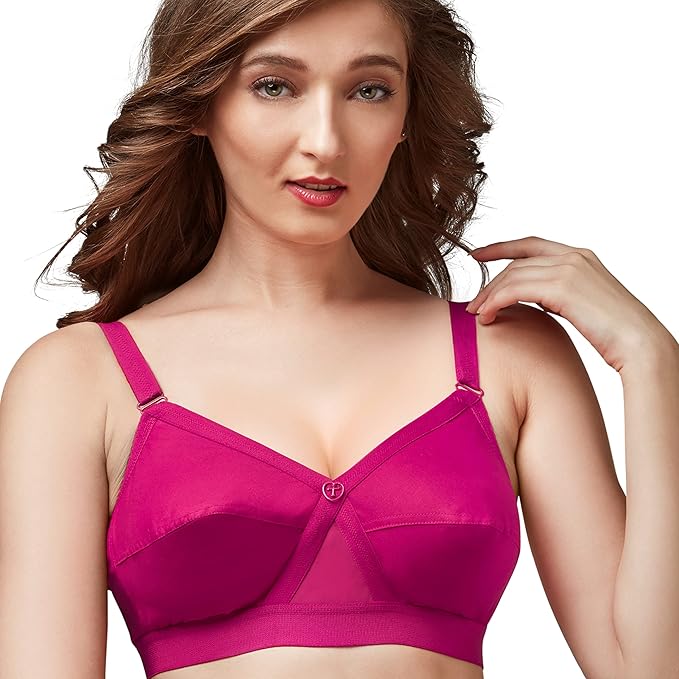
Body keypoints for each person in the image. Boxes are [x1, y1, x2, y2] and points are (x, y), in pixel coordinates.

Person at [1, 0, 678, 677]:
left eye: (369, 90)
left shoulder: (510, 353)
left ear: (407, 115)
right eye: (275, 85)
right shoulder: (80, 380)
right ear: (200, 104)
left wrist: (653, 361)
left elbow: (642, 667)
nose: (326, 141)